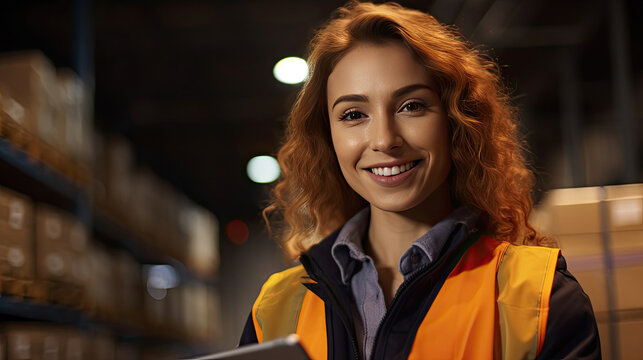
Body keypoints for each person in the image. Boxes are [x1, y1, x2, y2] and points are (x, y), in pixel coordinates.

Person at [240, 2, 600, 359]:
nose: (384, 139)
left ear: (455, 121)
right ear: (327, 137)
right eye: (353, 114)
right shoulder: (274, 311)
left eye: (411, 106)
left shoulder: (538, 296)